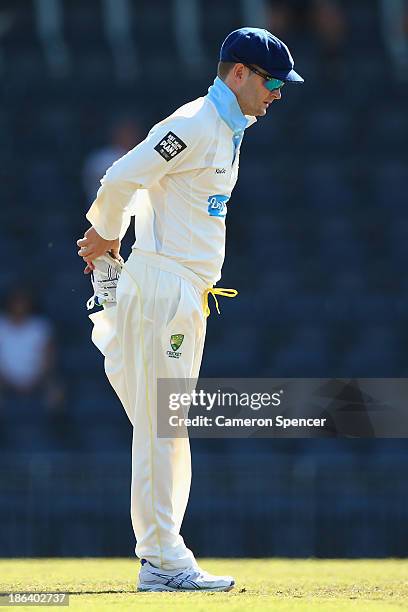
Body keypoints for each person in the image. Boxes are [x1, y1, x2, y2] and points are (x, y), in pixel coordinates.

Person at [76, 27, 303, 592]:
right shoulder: (197, 123)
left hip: (177, 293)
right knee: (162, 428)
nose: (277, 94)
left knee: (160, 427)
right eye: (272, 82)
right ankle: (161, 559)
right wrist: (105, 235)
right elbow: (121, 176)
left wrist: (111, 245)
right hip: (165, 291)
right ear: (239, 74)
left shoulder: (227, 130)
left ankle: (162, 555)